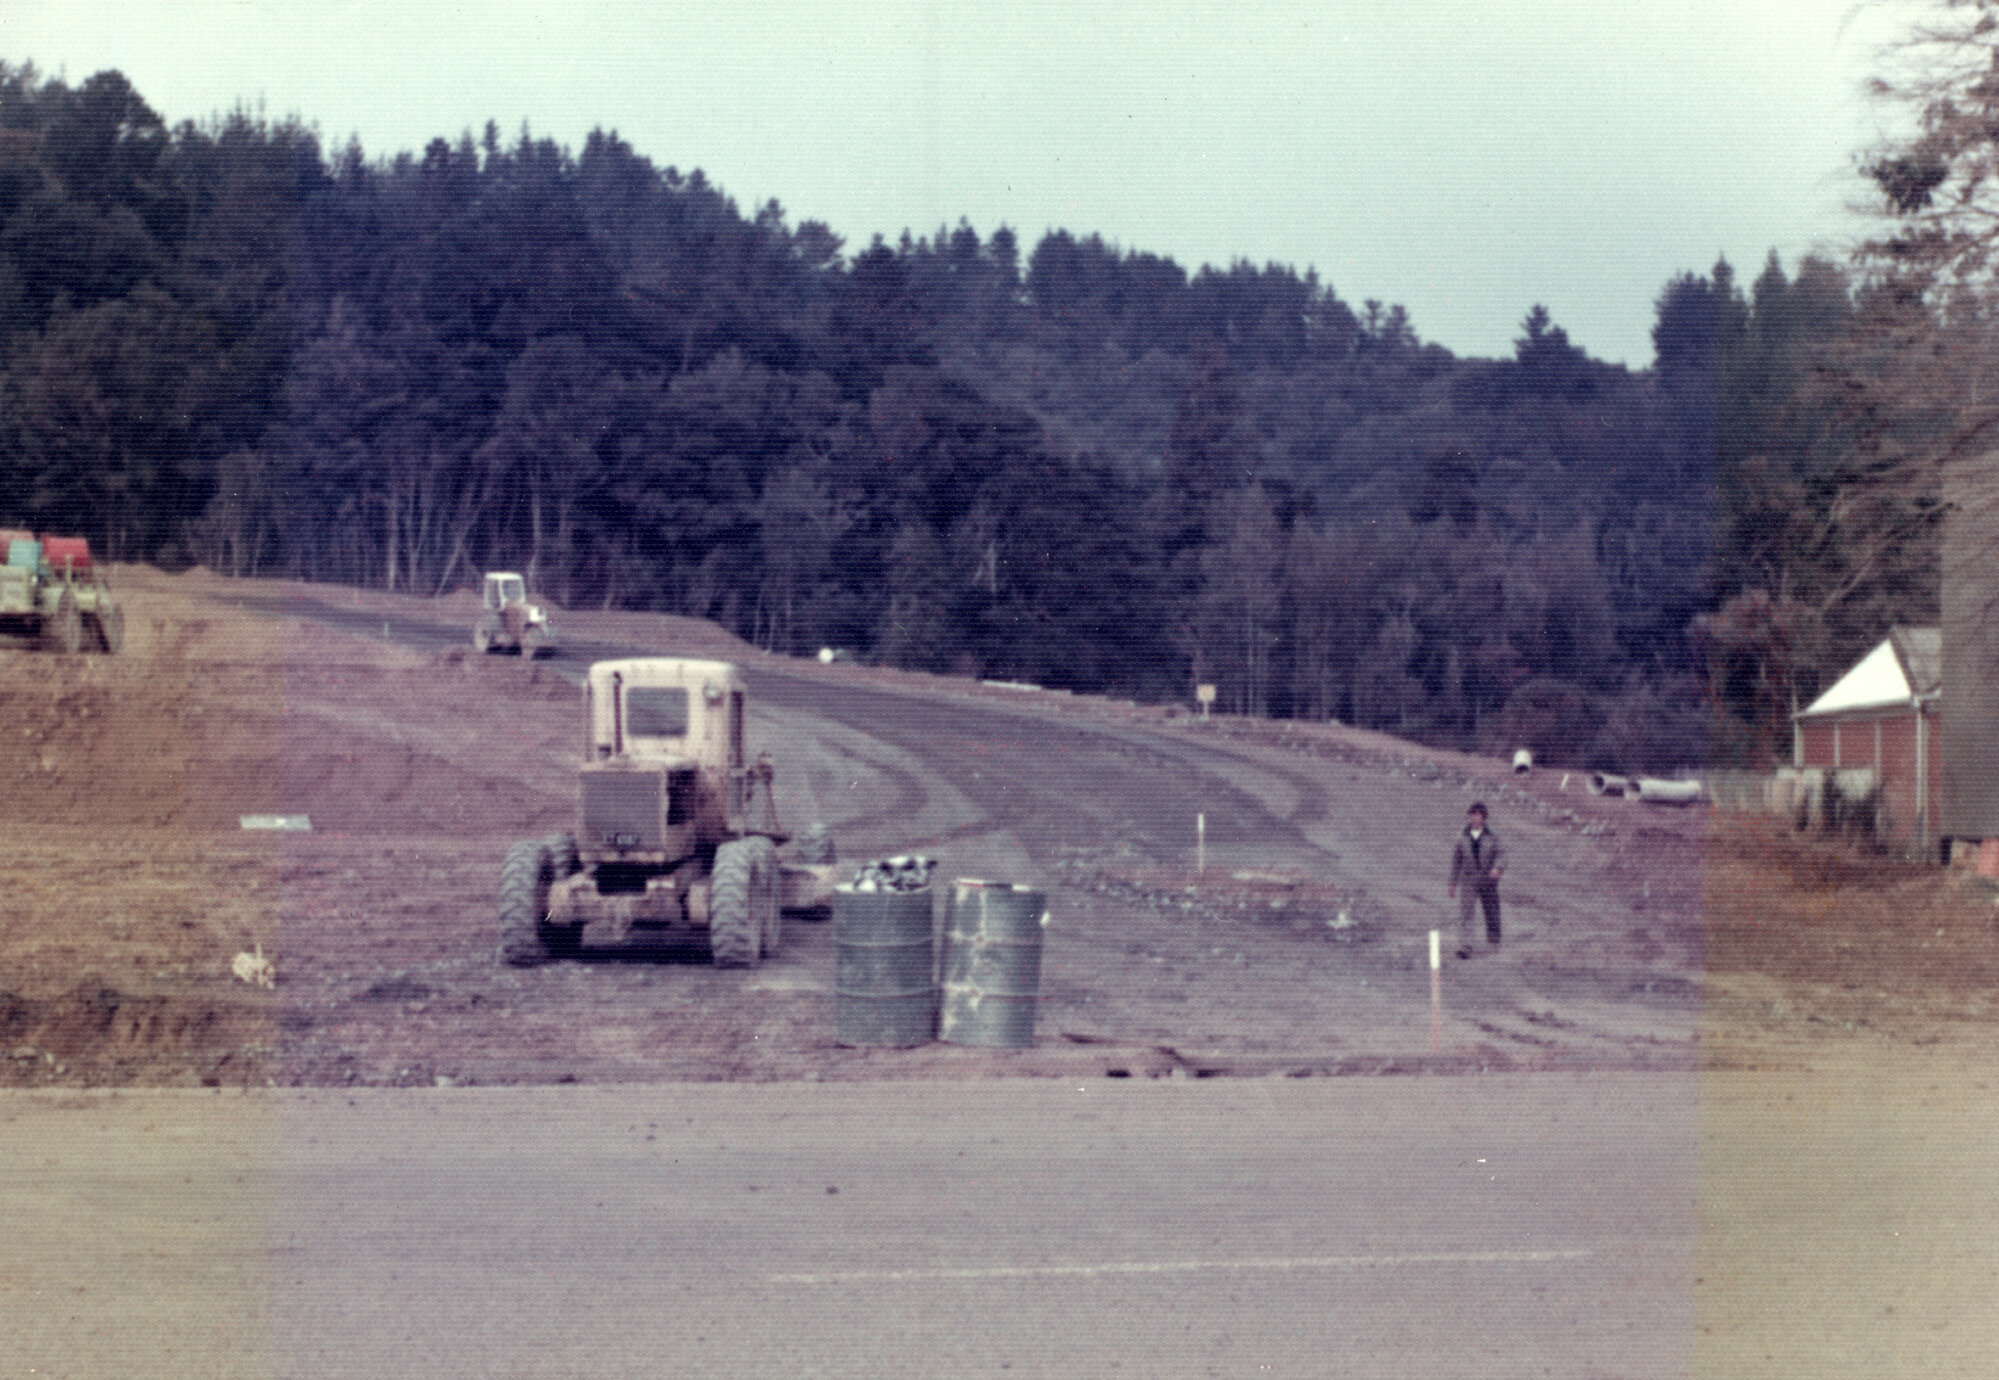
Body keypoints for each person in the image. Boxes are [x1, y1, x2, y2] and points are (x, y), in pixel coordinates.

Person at [1448, 802, 1504, 959]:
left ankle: (1493, 941)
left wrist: (1497, 868)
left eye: (1478, 815)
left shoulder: (1492, 836)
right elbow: (1456, 861)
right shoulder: (1462, 837)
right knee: (1466, 913)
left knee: (1491, 911)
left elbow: (1502, 854)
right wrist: (1452, 882)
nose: (1474, 818)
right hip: (1469, 880)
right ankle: (1466, 946)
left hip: (1488, 880)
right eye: (1472, 815)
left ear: (1484, 818)